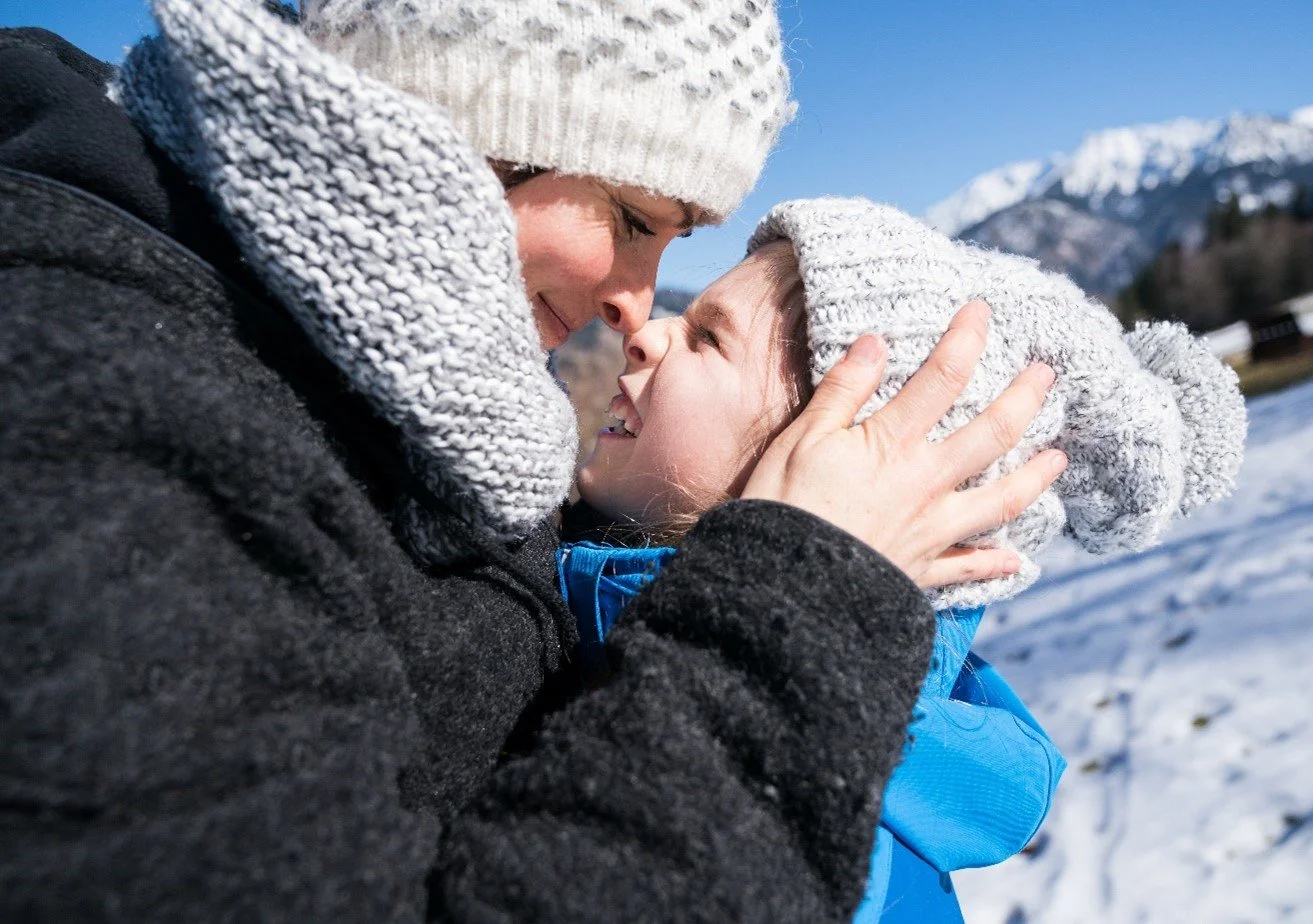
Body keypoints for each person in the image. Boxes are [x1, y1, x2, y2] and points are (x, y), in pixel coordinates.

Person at [0, 0, 1066, 917]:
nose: (637, 305)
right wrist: (798, 602)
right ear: (450, 116)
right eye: (632, 215)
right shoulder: (102, 419)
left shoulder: (441, 382)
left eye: (673, 244)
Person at [562, 197, 1248, 921]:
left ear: (843, 476)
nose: (645, 331)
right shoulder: (566, 586)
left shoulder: (830, 851)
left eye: (708, 338)